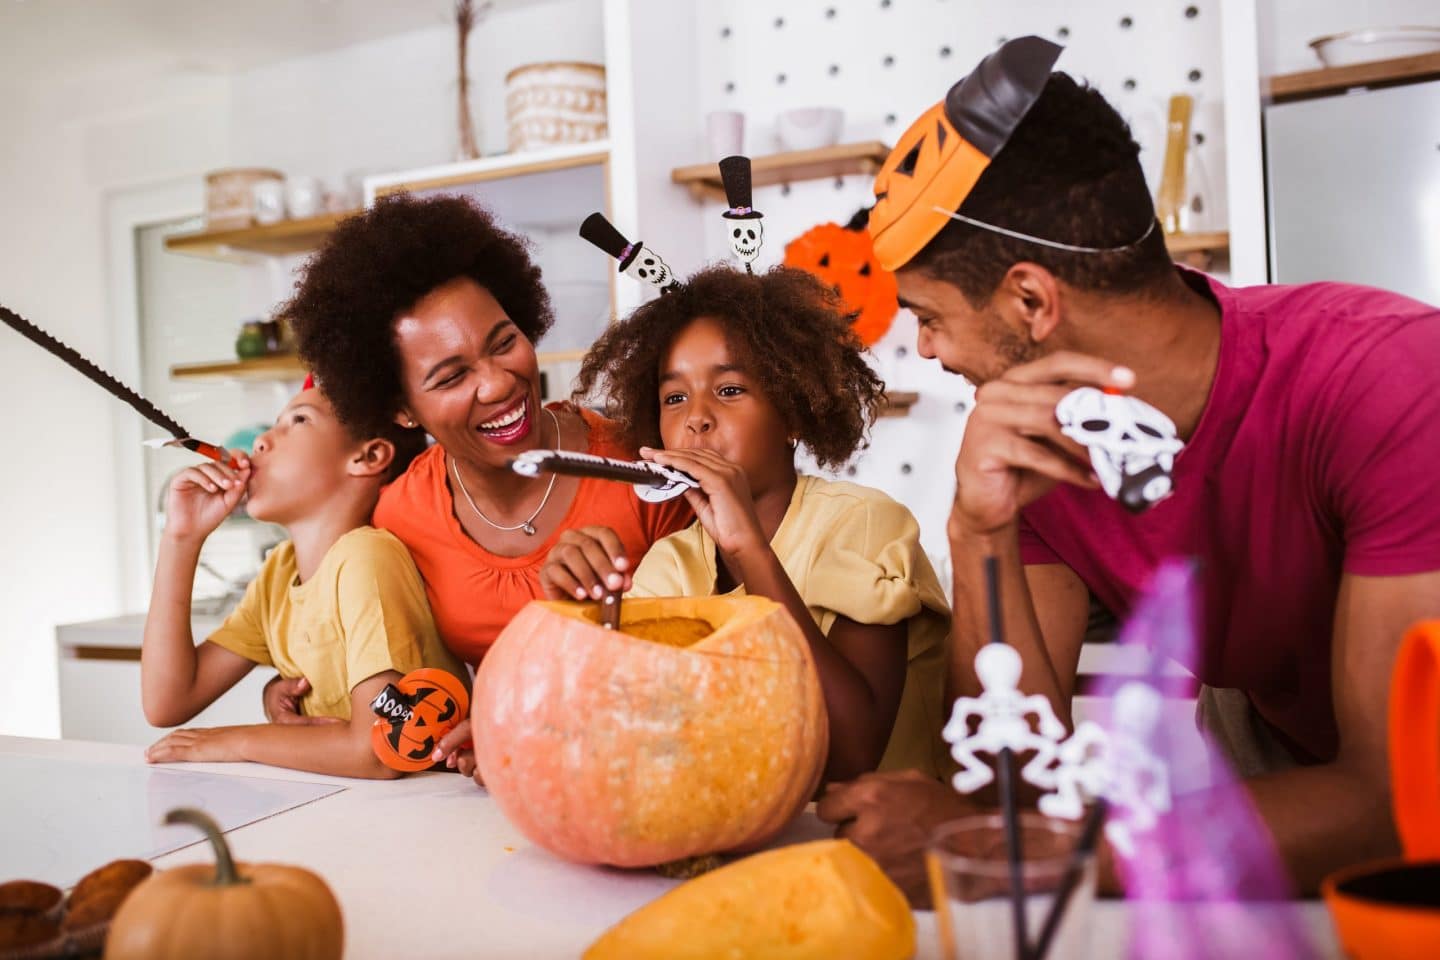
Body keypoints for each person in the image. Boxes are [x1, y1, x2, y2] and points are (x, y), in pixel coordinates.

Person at [817, 51, 1440, 898]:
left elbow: (1393, 800)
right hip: (1284, 785)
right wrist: (978, 530)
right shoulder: (1038, 443)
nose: (926, 350)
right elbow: (1009, 784)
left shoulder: (1389, 379)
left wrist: (1012, 853)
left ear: (1031, 301)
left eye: (928, 317)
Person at [273, 194, 692, 780]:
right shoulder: (400, 515)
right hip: (490, 796)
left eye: (503, 343)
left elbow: (715, 659)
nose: (498, 384)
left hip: (652, 770)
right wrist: (289, 687)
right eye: (451, 377)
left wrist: (519, 724)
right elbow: (383, 659)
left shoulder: (640, 467)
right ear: (401, 410)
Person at [544, 265, 952, 782]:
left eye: (730, 389)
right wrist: (584, 617)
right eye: (674, 398)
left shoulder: (864, 525)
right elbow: (635, 731)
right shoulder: (672, 564)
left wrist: (749, 550)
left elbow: (850, 753)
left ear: (793, 413)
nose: (696, 417)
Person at [142, 386, 465, 778]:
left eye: (298, 420)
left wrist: (236, 741)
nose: (261, 441)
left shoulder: (366, 557)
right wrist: (181, 539)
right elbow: (167, 702)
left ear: (368, 457)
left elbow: (380, 752)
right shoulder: (279, 572)